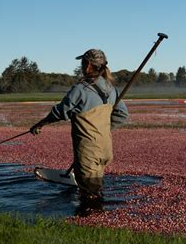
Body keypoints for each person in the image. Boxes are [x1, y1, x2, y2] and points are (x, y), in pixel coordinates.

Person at [29, 49, 129, 203]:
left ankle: (91, 221)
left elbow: (60, 112)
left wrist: (40, 124)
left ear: (88, 65)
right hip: (105, 148)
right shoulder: (110, 88)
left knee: (90, 195)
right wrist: (102, 129)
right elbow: (122, 114)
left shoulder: (80, 89)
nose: (82, 66)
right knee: (95, 184)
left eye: (83, 63)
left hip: (88, 151)